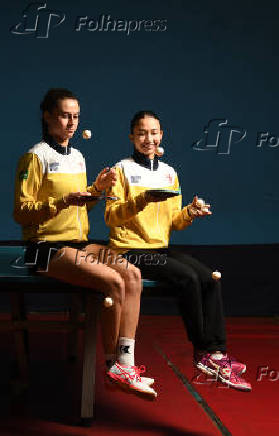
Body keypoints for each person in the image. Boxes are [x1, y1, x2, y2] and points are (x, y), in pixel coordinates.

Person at [13, 91, 157, 399]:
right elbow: (20, 212)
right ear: (47, 116)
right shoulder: (35, 157)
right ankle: (112, 367)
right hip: (46, 248)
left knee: (131, 275)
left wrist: (95, 190)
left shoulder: (78, 157)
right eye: (64, 115)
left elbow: (81, 208)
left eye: (75, 116)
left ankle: (126, 363)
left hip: (80, 243)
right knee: (111, 281)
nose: (71, 123)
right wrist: (61, 201)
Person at [105, 110, 251, 391]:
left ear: (161, 135)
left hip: (160, 248)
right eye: (142, 133)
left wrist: (190, 213)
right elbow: (111, 217)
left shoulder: (169, 173)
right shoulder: (120, 170)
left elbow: (174, 222)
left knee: (209, 277)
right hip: (130, 249)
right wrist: (142, 200)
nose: (149, 138)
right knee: (187, 278)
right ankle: (202, 351)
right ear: (132, 137)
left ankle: (217, 353)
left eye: (154, 132)